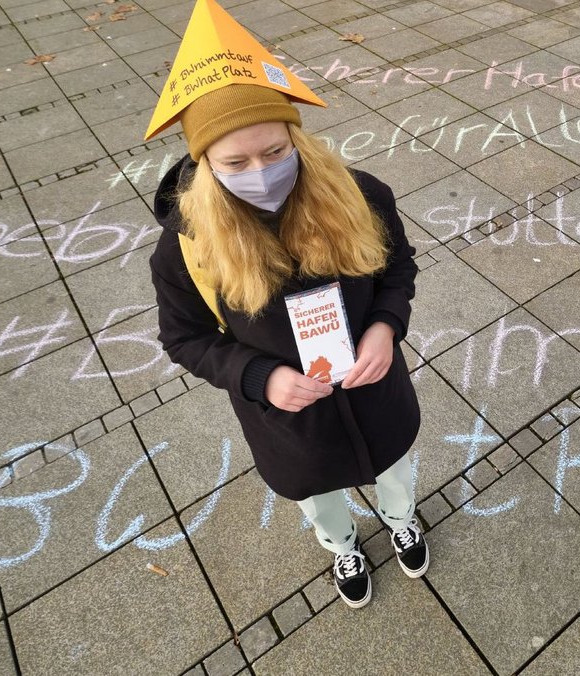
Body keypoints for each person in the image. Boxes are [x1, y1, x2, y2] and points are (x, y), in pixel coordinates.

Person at [148, 81, 424, 609]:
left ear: (297, 138)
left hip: (373, 386)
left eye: (275, 152)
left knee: (394, 466)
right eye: (235, 161)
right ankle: (341, 544)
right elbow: (185, 338)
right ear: (205, 164)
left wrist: (386, 326)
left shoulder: (361, 196)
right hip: (290, 417)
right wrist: (260, 378)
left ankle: (401, 518)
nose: (260, 172)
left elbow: (397, 268)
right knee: (317, 492)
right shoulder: (187, 248)